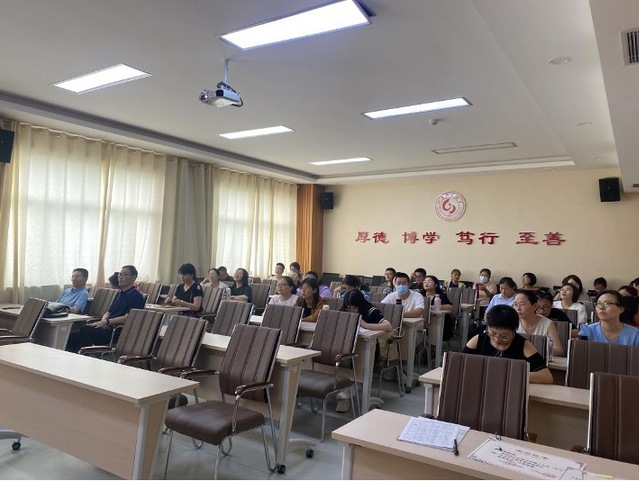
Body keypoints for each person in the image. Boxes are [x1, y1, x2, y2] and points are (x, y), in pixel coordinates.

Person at [463, 305, 553, 384]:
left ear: (514, 331)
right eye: (492, 333)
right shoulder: (478, 340)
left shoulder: (523, 345)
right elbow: (460, 364)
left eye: (504, 336)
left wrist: (510, 375)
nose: (497, 339)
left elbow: (546, 376)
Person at [65, 265, 145, 352]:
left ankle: (81, 356)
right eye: (120, 274)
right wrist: (104, 321)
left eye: (125, 275)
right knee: (72, 335)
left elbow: (128, 317)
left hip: (117, 331)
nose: (120, 277)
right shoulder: (120, 293)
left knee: (85, 330)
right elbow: (108, 312)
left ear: (133, 277)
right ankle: (72, 356)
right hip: (107, 326)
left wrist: (106, 322)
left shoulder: (136, 296)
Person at [513, 290, 563, 357]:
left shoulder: (547, 324)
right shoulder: (511, 322)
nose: (518, 308)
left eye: (522, 304)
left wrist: (531, 351)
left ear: (534, 306)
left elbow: (558, 350)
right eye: (515, 304)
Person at [423, 275, 455, 341]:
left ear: (436, 285)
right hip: (424, 318)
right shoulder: (420, 295)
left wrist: (434, 307)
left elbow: (450, 307)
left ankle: (437, 343)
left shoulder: (440, 295)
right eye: (425, 282)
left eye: (429, 281)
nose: (426, 283)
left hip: (439, 318)